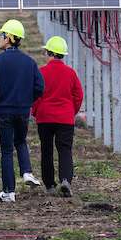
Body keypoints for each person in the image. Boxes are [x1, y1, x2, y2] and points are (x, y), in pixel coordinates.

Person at [0, 19, 44, 203]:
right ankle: (26, 172)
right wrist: (27, 102)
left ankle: (9, 192)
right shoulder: (30, 62)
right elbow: (39, 87)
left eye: (2, 35)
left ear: (9, 38)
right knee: (20, 140)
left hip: (4, 110)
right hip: (23, 110)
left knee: (6, 151)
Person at [31, 35, 83, 197]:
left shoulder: (41, 72)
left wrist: (36, 111)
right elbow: (78, 95)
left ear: (50, 53)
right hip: (65, 118)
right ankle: (66, 179)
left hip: (45, 117)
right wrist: (71, 111)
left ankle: (49, 185)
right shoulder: (70, 73)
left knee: (46, 150)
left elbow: (35, 94)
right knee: (65, 150)